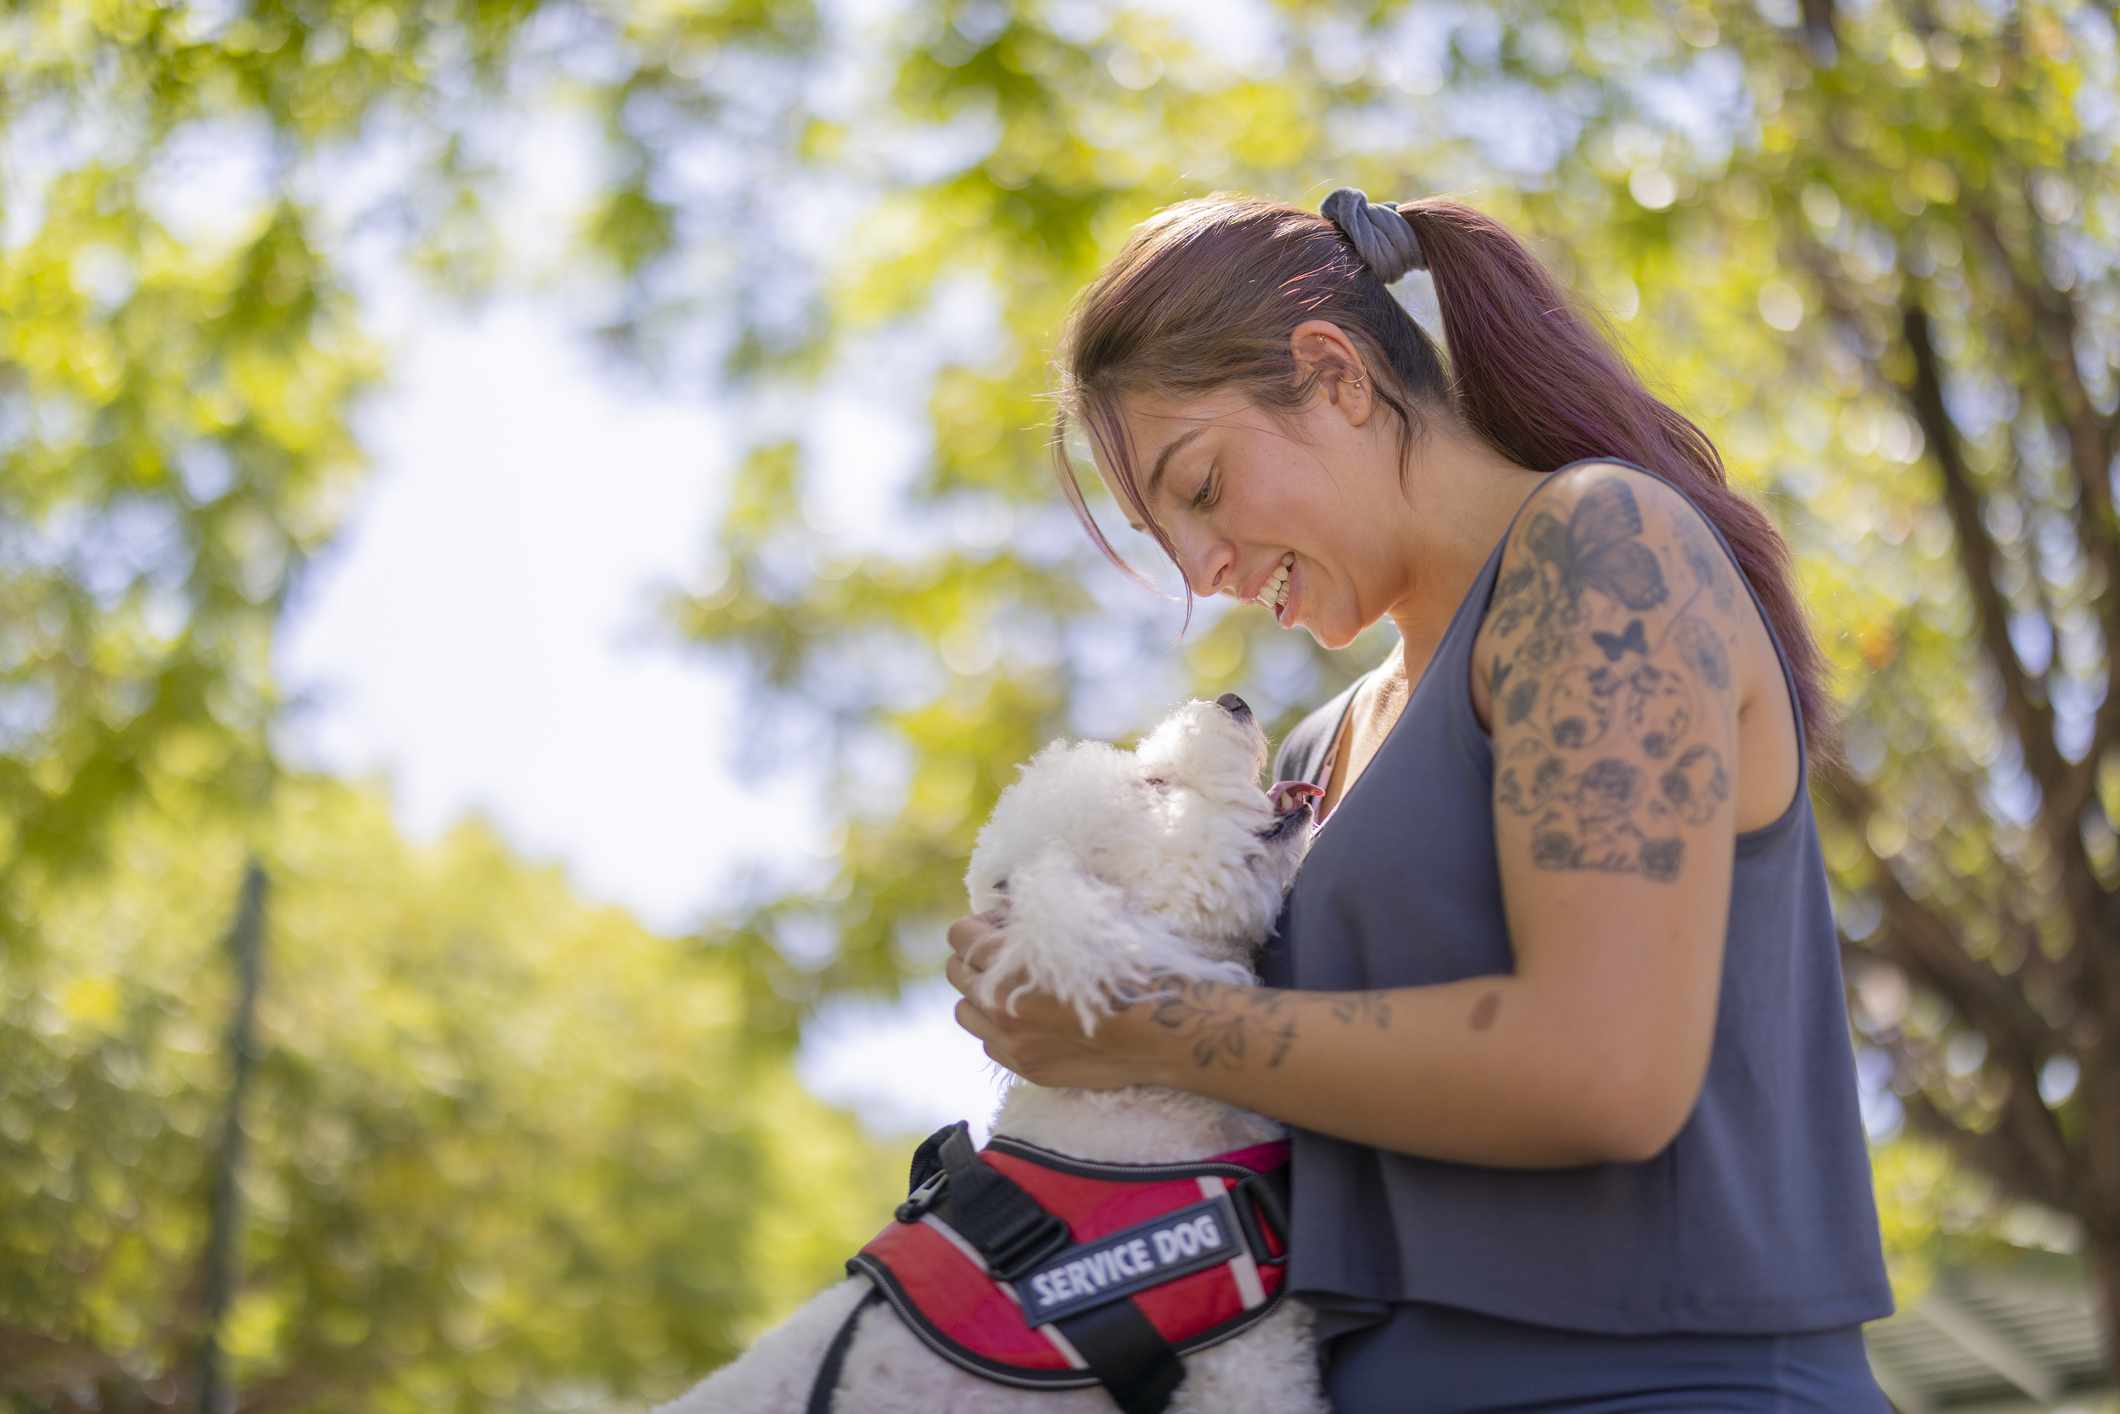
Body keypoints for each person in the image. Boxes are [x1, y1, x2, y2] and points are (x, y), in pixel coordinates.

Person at [942, 187, 1896, 1411]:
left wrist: (1148, 1021)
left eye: (1201, 488)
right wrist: (1055, 975)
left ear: (1334, 374)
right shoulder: (1316, 750)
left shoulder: (1600, 554)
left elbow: (1601, 1072)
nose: (1205, 572)